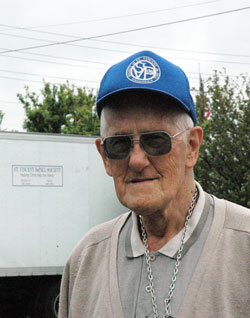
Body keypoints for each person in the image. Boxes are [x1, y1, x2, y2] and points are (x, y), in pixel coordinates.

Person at [58, 51, 250, 318]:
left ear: (192, 147)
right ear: (105, 157)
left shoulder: (244, 246)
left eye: (156, 141)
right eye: (119, 144)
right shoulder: (85, 260)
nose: (136, 160)